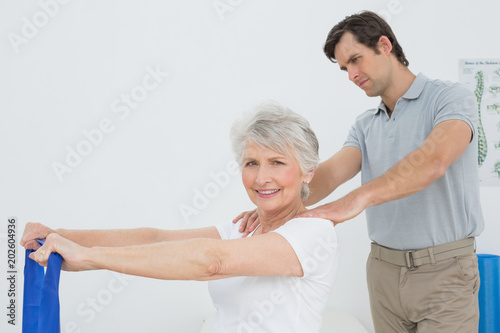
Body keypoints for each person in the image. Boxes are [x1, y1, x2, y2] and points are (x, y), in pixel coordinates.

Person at [235, 11, 484, 332]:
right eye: (344, 68)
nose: (351, 74)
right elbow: (328, 176)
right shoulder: (366, 125)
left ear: (384, 45)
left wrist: (358, 199)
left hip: (445, 272)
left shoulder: (449, 98)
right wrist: (273, 202)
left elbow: (434, 159)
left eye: (356, 60)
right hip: (383, 271)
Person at [21, 102, 339, 333]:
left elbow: (211, 261)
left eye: (277, 162)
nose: (261, 178)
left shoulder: (313, 234)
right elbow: (156, 238)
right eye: (252, 163)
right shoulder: (245, 227)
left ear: (308, 172)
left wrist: (91, 256)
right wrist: (60, 234)